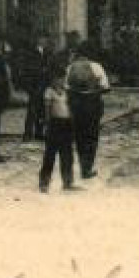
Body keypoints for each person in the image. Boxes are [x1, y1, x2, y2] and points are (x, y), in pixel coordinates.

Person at [64, 35, 112, 179]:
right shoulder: (96, 67)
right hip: (92, 104)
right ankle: (87, 167)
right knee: (91, 136)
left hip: (76, 105)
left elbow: (65, 86)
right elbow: (106, 87)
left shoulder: (71, 67)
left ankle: (81, 163)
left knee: (79, 135)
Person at [38, 68, 78, 193]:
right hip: (55, 124)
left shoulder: (66, 91)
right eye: (57, 79)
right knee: (50, 154)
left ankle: (68, 181)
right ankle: (44, 183)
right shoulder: (49, 92)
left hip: (66, 124)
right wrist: (47, 124)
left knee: (67, 154)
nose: (60, 81)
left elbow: (71, 107)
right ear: (52, 80)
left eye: (62, 79)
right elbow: (47, 110)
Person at [17, 32, 52, 142]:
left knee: (41, 110)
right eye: (44, 39)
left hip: (44, 84)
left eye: (46, 39)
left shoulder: (47, 53)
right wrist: (41, 71)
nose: (46, 41)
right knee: (32, 110)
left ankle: (39, 132)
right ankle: (27, 133)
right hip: (34, 85)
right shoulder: (31, 53)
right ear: (39, 39)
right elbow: (28, 69)